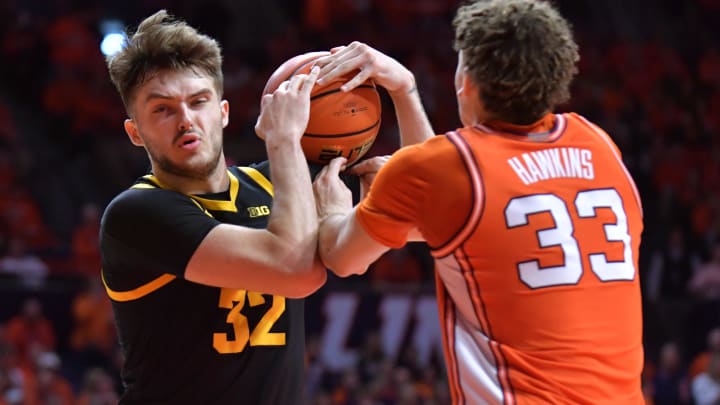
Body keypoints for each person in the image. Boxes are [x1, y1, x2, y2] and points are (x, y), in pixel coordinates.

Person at [314, 0, 645, 403]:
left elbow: (343, 257)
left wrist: (332, 204)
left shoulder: (445, 168)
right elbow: (447, 198)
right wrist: (403, 91)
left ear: (465, 79)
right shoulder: (600, 146)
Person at [101, 10, 432, 404]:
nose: (186, 120)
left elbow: (428, 214)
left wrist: (403, 88)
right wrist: (284, 141)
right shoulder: (137, 214)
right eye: (162, 109)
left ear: (222, 113)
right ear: (135, 132)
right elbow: (294, 271)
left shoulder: (274, 183)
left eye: (198, 101)